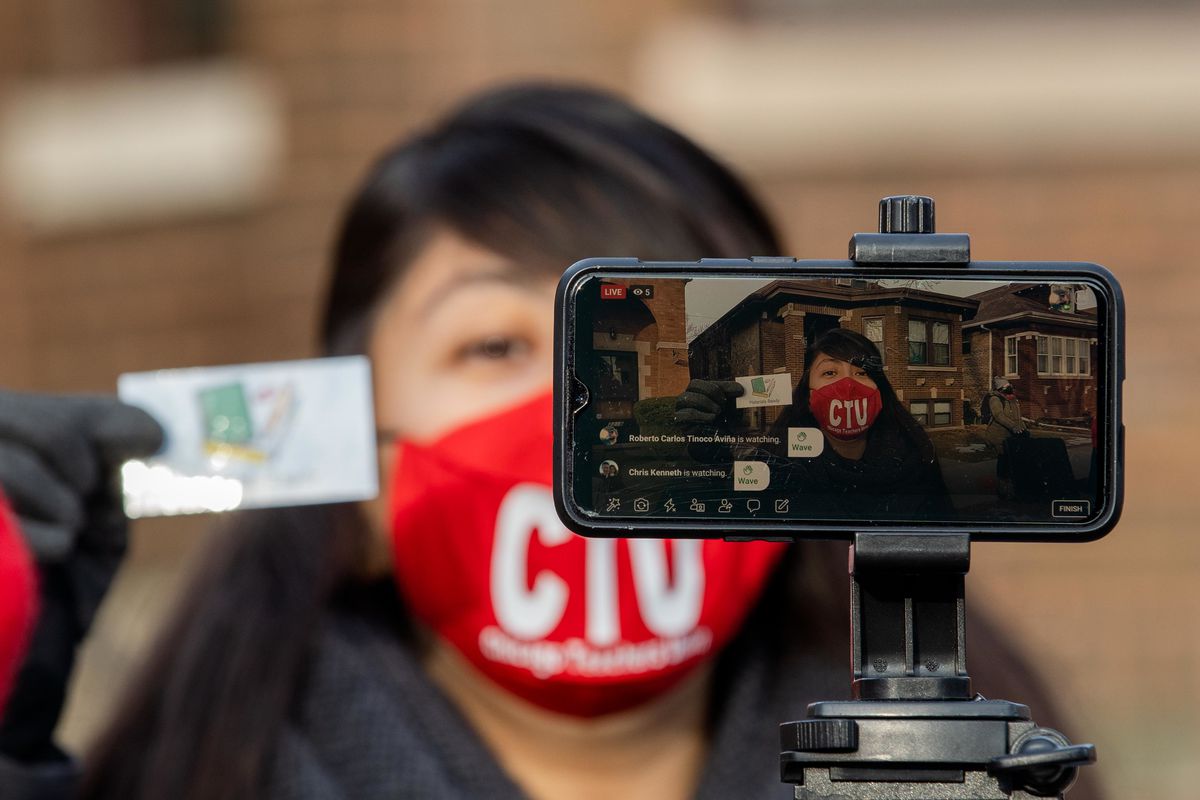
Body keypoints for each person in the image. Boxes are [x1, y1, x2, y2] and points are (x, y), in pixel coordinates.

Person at [0, 83, 1102, 799]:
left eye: (660, 343)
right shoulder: (190, 772)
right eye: (493, 345)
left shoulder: (987, 770)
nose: (577, 404)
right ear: (355, 464)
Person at [676, 328, 954, 521]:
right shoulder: (776, 464)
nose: (847, 386)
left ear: (880, 389)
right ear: (808, 396)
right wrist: (714, 448)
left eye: (862, 372)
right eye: (830, 372)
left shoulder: (917, 457)